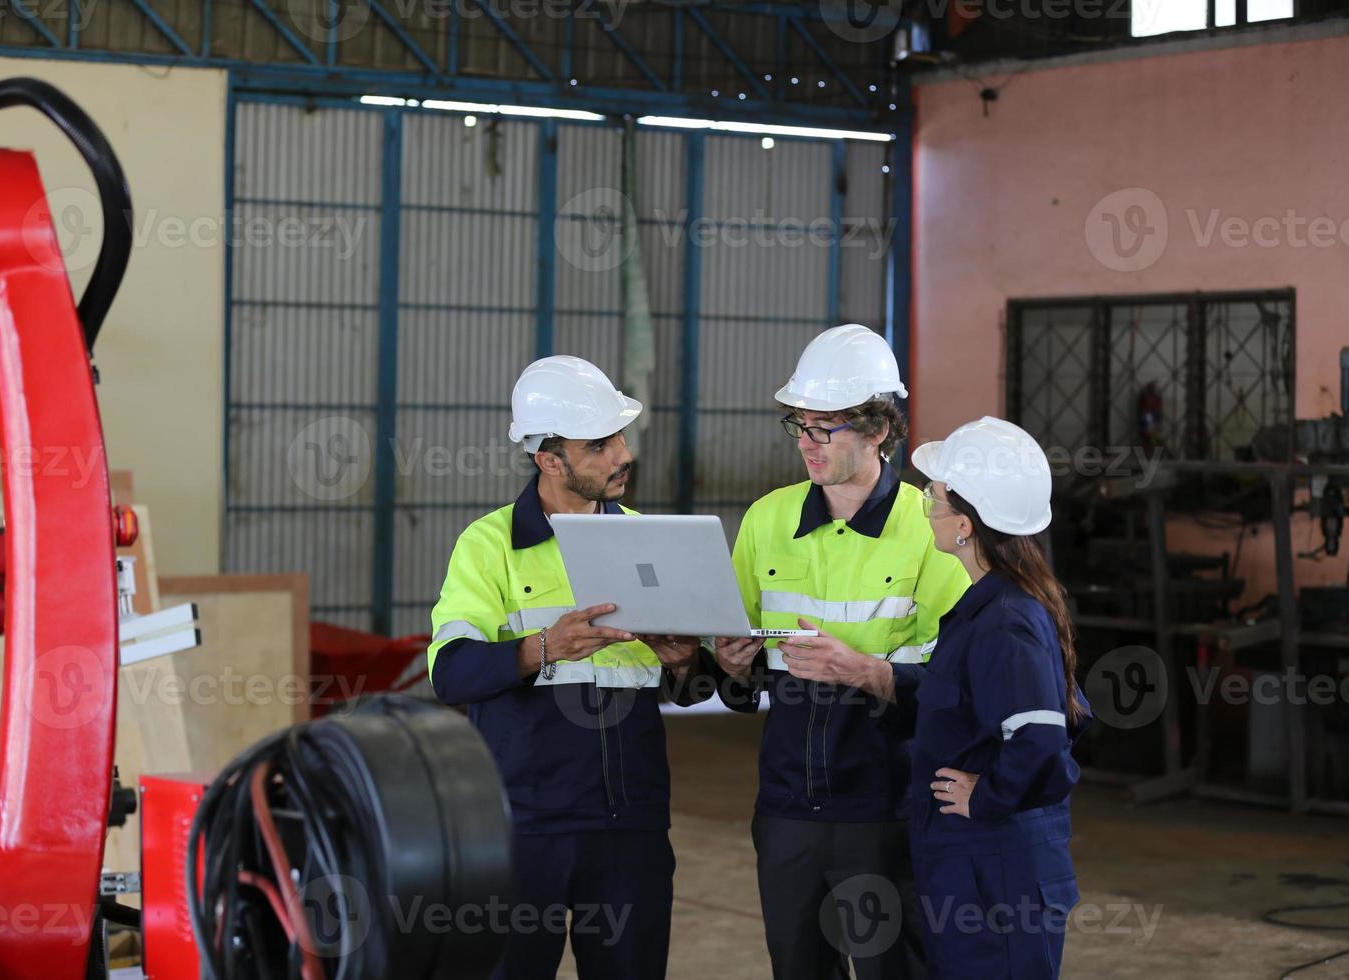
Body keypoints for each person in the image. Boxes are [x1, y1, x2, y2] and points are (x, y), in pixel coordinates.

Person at [426, 354, 713, 980]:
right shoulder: (489, 545)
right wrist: (540, 647)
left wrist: (687, 662)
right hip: (526, 827)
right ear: (548, 458)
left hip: (631, 825)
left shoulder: (650, 540)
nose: (621, 456)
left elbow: (693, 690)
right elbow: (451, 672)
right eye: (599, 445)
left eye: (619, 438)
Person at [709, 324, 971, 980]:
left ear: (880, 428)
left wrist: (870, 672)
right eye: (799, 424)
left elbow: (961, 680)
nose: (806, 442)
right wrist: (733, 666)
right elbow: (738, 675)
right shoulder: (767, 520)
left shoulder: (927, 528)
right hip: (786, 807)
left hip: (884, 808)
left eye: (826, 428)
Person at [902, 416, 1091, 979]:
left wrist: (987, 798)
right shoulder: (999, 605)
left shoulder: (1006, 620)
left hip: (995, 874)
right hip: (983, 871)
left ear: (964, 525)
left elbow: (1040, 737)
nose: (927, 509)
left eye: (933, 499)